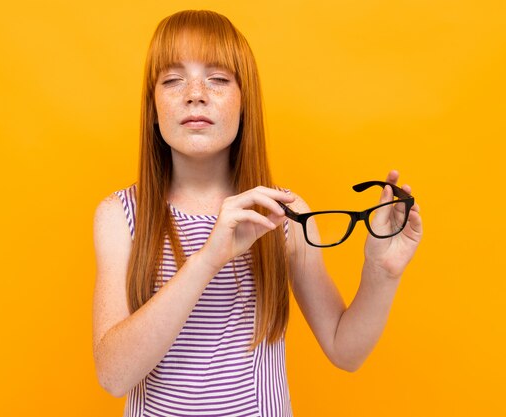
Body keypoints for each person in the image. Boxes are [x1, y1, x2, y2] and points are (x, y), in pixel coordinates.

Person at [92, 9, 422, 416]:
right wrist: (208, 259)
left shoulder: (283, 214)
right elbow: (113, 375)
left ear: (245, 100)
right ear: (152, 106)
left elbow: (344, 349)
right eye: (173, 79)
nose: (196, 93)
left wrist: (381, 273)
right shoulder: (120, 215)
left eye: (218, 78)